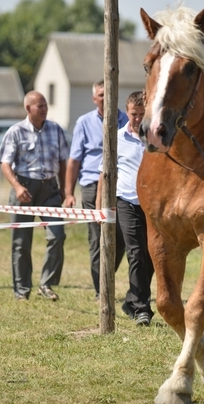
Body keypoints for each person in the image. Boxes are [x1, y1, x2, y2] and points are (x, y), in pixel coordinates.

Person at [0, 91, 69, 301]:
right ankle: (21, 289)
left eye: (45, 105)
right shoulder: (15, 132)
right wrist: (18, 187)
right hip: (24, 190)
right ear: (28, 109)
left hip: (50, 191)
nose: (44, 109)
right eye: (40, 106)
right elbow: (5, 164)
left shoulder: (55, 129)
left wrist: (64, 188)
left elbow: (64, 160)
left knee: (57, 236)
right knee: (21, 242)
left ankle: (46, 284)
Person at [64, 79, 128, 299]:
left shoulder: (126, 120)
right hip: (92, 185)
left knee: (121, 239)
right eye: (101, 94)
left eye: (109, 93)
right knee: (97, 239)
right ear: (94, 99)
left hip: (121, 186)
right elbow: (74, 160)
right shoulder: (84, 122)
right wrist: (69, 193)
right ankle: (101, 291)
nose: (106, 97)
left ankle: (106, 277)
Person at [96, 91, 154, 326]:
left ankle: (132, 299)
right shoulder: (117, 137)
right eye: (134, 114)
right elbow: (105, 171)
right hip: (126, 201)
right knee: (136, 252)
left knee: (151, 255)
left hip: (152, 205)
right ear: (126, 111)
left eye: (142, 114)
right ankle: (142, 308)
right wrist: (102, 203)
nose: (138, 118)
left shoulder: (156, 137)